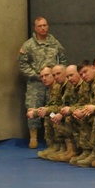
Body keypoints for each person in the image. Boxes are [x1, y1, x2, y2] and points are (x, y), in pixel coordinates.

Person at [18, 16, 67, 148]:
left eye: (45, 25)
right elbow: (22, 64)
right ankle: (33, 138)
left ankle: (53, 138)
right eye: (40, 26)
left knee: (51, 108)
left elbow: (63, 60)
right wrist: (36, 75)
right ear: (35, 28)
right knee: (33, 107)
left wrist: (57, 75)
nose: (43, 28)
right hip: (36, 84)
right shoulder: (28, 45)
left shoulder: (55, 43)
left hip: (53, 83)